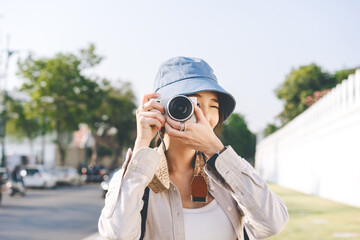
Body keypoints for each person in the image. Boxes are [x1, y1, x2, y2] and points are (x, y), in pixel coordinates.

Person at [98, 57, 289, 240]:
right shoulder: (137, 178)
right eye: (191, 104)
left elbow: (273, 224)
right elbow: (118, 234)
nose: (204, 115)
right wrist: (142, 143)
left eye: (213, 106)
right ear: (160, 108)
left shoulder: (230, 174)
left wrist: (216, 149)